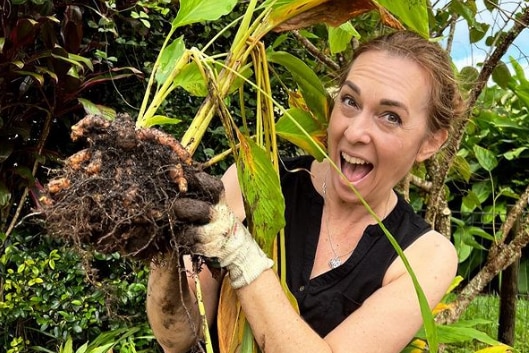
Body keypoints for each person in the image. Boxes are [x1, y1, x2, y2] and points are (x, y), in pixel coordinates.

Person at [146, 30, 466, 353]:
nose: (354, 132)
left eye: (390, 117)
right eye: (350, 101)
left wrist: (240, 252)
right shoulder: (253, 182)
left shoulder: (425, 255)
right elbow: (177, 337)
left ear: (430, 142)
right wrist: (165, 244)